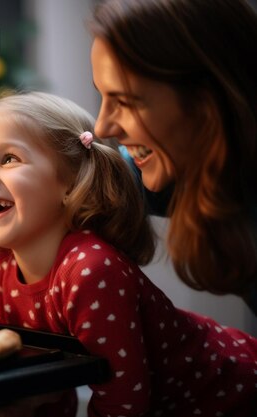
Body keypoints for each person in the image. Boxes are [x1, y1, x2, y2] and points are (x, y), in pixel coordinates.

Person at [0, 91, 257, 416]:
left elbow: (123, 402)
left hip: (231, 391)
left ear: (69, 183)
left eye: (9, 158)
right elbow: (51, 379)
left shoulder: (91, 269)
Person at [88, 0, 257, 314]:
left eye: (124, 101)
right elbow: (88, 176)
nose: (103, 126)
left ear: (205, 108)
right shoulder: (188, 163)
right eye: (102, 95)